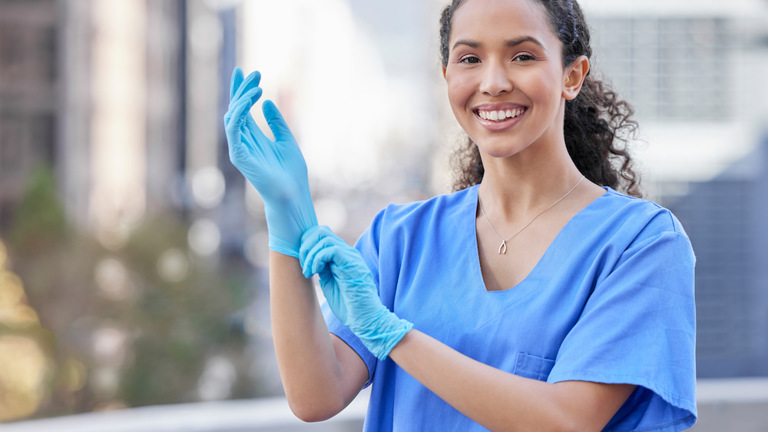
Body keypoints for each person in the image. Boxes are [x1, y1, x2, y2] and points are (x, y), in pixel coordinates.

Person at [223, 0, 697, 430]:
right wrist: (286, 218)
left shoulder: (643, 244)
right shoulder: (401, 238)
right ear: (447, 76)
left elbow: (567, 421)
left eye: (523, 56)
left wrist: (393, 335)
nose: (493, 82)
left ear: (572, 76)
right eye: (470, 59)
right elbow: (314, 395)